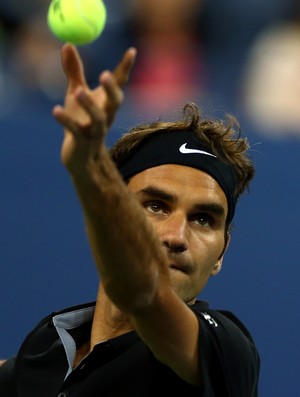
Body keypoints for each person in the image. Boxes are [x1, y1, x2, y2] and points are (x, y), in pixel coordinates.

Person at [0, 44, 260, 396]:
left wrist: (89, 171)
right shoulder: (47, 350)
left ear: (222, 253)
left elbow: (141, 293)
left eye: (202, 219)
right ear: (112, 215)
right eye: (155, 206)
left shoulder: (225, 350)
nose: (176, 236)